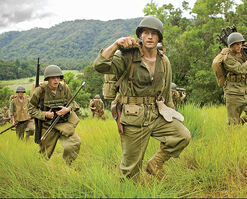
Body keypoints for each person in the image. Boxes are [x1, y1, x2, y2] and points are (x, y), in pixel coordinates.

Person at [93, 16, 191, 180]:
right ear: (140, 36)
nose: (150, 37)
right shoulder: (127, 57)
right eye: (146, 33)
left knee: (182, 135)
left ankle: (155, 163)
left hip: (157, 114)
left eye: (154, 33)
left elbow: (166, 93)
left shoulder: (164, 61)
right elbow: (99, 65)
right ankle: (129, 190)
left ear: (159, 37)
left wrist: (171, 113)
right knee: (131, 170)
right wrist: (117, 44)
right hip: (133, 117)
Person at [28, 65, 81, 165]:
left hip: (64, 123)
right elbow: (31, 109)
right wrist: (44, 114)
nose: (56, 80)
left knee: (75, 143)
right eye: (53, 78)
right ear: (47, 79)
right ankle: (40, 170)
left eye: (58, 77)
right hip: (47, 125)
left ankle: (68, 166)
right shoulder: (40, 91)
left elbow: (73, 103)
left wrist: (67, 109)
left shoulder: (65, 88)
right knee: (44, 155)